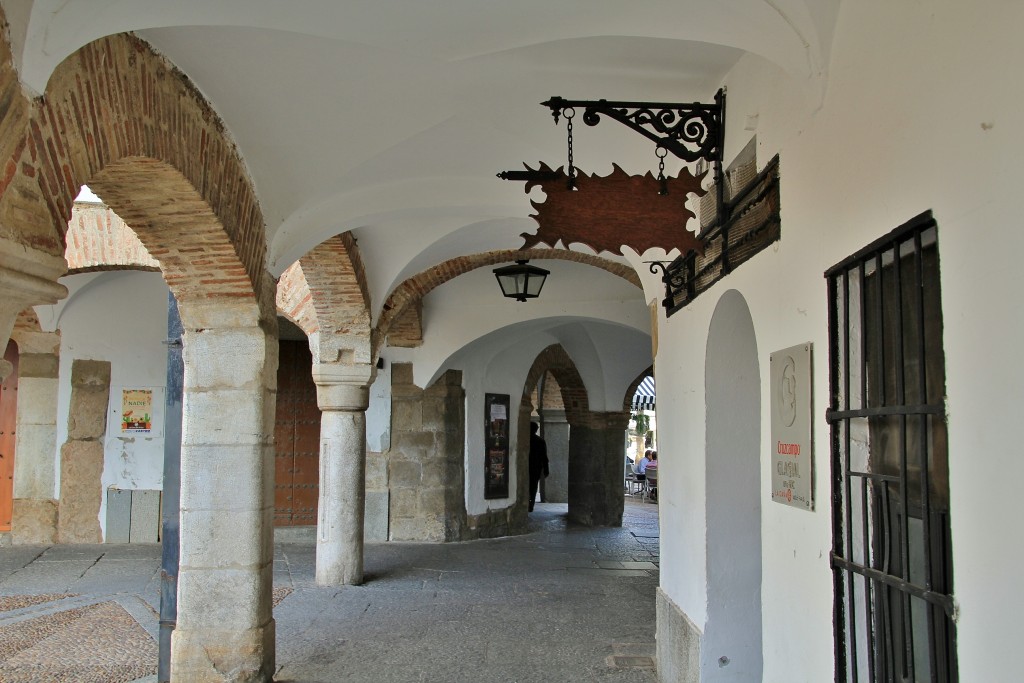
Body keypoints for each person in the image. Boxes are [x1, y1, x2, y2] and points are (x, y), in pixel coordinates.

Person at [528, 421, 549, 512]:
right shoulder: (540, 441)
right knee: (533, 486)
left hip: (526, 466)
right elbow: (544, 457)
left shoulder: (524, 439)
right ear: (536, 430)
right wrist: (546, 469)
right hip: (536, 467)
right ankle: (531, 504)